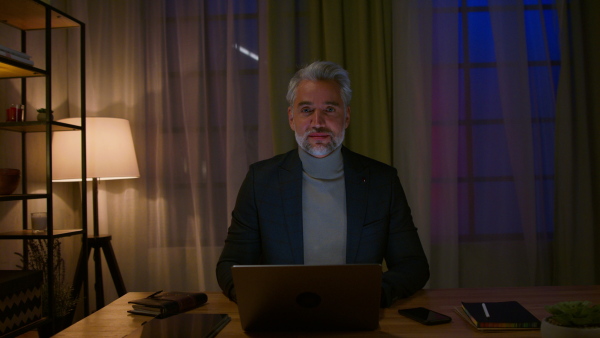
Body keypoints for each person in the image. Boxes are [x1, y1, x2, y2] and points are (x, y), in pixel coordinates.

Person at [216, 61, 429, 307]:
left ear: (346, 116)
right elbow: (229, 265)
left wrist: (371, 294)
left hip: (357, 317)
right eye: (306, 110)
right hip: (282, 320)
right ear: (291, 118)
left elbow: (413, 265)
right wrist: (262, 300)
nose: (317, 122)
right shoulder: (260, 181)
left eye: (329, 109)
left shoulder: (382, 182)